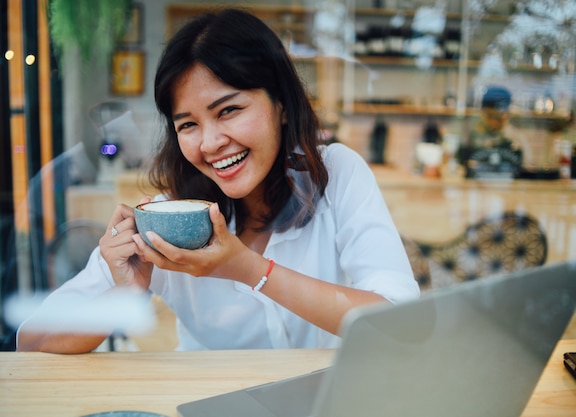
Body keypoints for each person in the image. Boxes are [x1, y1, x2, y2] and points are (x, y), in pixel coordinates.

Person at [16, 8, 419, 353]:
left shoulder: (335, 174)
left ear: (281, 103)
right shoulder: (166, 222)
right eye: (188, 124)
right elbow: (31, 341)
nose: (210, 143)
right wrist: (124, 294)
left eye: (228, 111)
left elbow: (400, 325)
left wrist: (249, 269)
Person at [468, 86, 532, 166]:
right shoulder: (474, 136)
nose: (493, 122)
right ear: (482, 113)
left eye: (499, 117)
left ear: (508, 115)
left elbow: (527, 167)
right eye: (490, 116)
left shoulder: (517, 138)